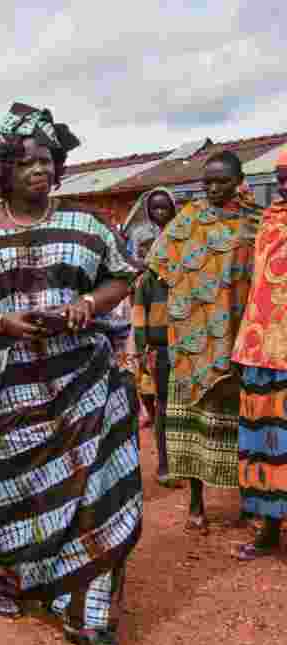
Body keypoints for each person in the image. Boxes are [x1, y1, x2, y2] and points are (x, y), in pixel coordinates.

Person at [0, 103, 143, 645]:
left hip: (85, 385)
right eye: (26, 162)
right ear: (3, 170)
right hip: (8, 392)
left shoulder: (87, 225)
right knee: (9, 492)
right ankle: (12, 577)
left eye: (47, 160)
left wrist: (86, 304)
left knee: (97, 493)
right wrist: (3, 321)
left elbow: (123, 276)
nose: (39, 169)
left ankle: (91, 616)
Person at [148, 151, 262, 533]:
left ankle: (249, 502)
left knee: (241, 423)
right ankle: (197, 503)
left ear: (239, 180)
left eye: (222, 181)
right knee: (193, 425)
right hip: (192, 344)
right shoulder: (188, 220)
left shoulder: (256, 221)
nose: (213, 188)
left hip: (238, 339)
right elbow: (159, 266)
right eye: (207, 182)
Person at [229, 147, 287, 560]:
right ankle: (268, 531)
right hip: (260, 348)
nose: (285, 187)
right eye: (281, 180)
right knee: (264, 446)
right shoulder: (269, 219)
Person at [125, 188, 179, 486]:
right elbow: (138, 307)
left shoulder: (184, 238)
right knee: (161, 402)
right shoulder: (144, 246)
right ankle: (165, 463)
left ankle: (180, 463)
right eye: (154, 209)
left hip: (185, 338)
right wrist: (142, 345)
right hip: (159, 340)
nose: (160, 213)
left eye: (164, 208)